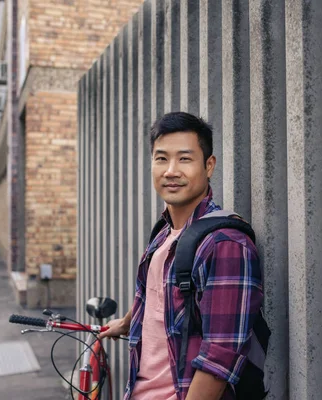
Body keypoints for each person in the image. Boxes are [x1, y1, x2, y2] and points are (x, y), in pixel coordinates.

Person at [98, 112, 264, 400]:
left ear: (208, 165)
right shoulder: (164, 232)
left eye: (184, 159)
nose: (170, 171)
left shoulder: (225, 244)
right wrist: (125, 322)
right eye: (161, 158)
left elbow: (220, 357)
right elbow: (154, 297)